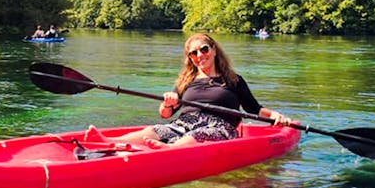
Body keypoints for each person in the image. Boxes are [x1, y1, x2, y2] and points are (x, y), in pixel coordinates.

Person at [119, 32, 289, 148]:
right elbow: (165, 115)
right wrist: (167, 104)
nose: (199, 55)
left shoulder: (233, 80)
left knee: (199, 134)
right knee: (155, 130)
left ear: (214, 50)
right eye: (193, 53)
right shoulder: (186, 81)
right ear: (190, 59)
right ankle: (108, 141)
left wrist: (274, 115)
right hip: (185, 124)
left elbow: (254, 108)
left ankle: (170, 148)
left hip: (220, 127)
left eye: (204, 49)